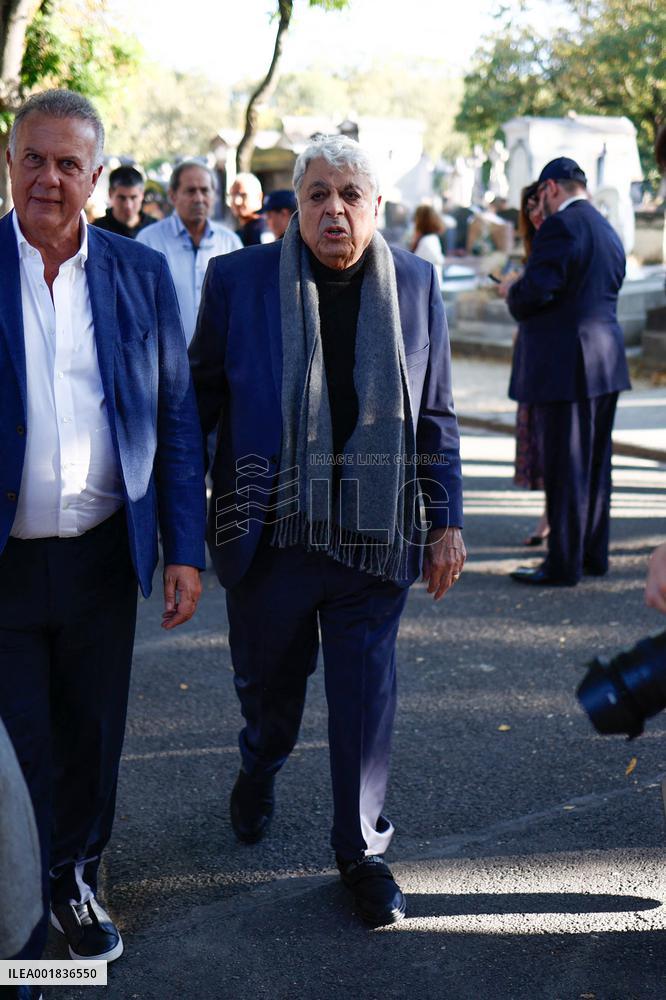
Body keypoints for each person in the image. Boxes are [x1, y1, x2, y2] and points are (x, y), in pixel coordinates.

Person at [189, 134, 465, 928]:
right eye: (317, 194)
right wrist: (193, 512)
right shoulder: (238, 281)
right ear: (294, 208)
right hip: (272, 538)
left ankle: (362, 850)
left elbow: (435, 415)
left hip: (376, 538)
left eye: (350, 195)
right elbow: (200, 403)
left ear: (377, 206)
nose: (334, 210)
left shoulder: (415, 282)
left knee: (364, 701)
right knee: (271, 694)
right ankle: (260, 764)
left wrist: (446, 522)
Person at [0, 89, 206, 964]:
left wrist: (185, 551)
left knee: (91, 734)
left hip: (99, 558)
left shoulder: (138, 273)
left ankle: (74, 884)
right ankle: (21, 904)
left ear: (94, 176)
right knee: (21, 742)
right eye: (34, 159)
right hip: (4, 562)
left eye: (68, 164)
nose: (50, 179)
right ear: (10, 164)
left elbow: (178, 416)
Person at [499, 157, 631, 586]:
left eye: (542, 196)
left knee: (564, 466)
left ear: (551, 187)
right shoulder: (606, 228)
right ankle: (593, 555)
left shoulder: (560, 226)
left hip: (566, 362)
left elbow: (535, 292)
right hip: (606, 359)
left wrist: (511, 290)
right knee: (595, 465)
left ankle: (562, 565)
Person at [136, 161, 241, 344]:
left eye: (205, 190)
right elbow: (137, 306)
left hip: (219, 361)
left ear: (214, 196)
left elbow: (241, 304)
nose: (199, 198)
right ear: (172, 195)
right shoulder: (149, 241)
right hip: (166, 359)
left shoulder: (230, 242)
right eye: (191, 191)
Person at [511, 181, 548, 547]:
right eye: (529, 208)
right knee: (536, 434)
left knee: (549, 439)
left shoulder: (556, 237)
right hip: (530, 348)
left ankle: (551, 517)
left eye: (538, 205)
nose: (535, 214)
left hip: (547, 355)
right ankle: (549, 514)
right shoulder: (535, 243)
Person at [92, 164, 155, 239]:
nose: (128, 205)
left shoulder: (155, 229)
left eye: (133, 197)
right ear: (110, 193)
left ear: (142, 195)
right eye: (122, 198)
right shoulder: (97, 231)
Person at [228, 171, 271, 246]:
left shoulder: (267, 229)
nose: (237, 201)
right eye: (233, 195)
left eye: (243, 195)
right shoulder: (242, 230)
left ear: (259, 196)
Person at [410, 204, 445, 283]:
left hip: (425, 288)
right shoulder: (431, 238)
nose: (414, 222)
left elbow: (414, 266)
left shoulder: (427, 241)